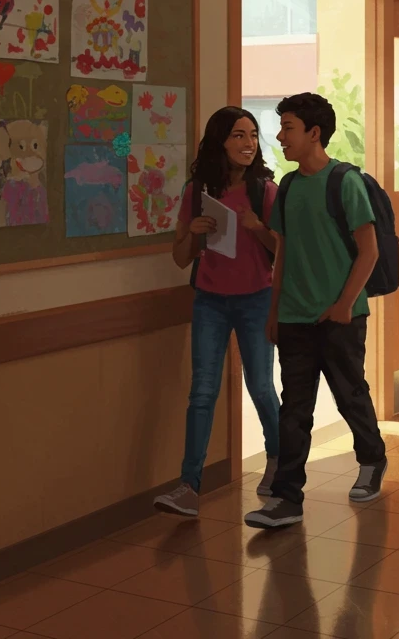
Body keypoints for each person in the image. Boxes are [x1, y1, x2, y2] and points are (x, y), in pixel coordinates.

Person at [244, 93, 388, 529]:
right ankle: (288, 498)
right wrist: (274, 311)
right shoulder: (287, 186)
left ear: (313, 133)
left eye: (287, 127)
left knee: (349, 395)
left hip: (339, 316)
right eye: (281, 126)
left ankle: (372, 458)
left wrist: (344, 305)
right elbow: (282, 251)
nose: (279, 135)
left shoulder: (344, 182)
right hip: (293, 317)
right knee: (295, 408)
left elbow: (370, 251)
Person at [155, 107, 280, 518]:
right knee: (202, 392)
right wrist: (192, 235)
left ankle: (279, 463)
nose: (248, 144)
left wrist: (256, 226)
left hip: (256, 298)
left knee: (261, 387)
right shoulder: (197, 191)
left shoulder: (266, 190)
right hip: (210, 299)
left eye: (252, 135)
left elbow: (285, 249)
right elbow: (179, 258)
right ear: (219, 141)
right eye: (238, 136)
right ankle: (189, 487)